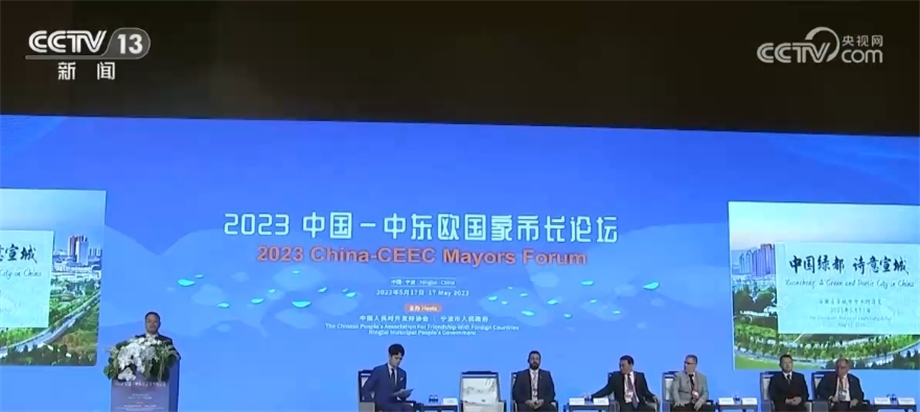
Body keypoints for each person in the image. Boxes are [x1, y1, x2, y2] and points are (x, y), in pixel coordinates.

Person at [591, 355, 658, 411]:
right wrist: (593, 396)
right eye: (620, 365)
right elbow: (607, 390)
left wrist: (653, 396)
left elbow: (645, 391)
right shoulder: (615, 377)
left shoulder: (640, 376)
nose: (621, 368)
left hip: (639, 403)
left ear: (631, 365)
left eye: (623, 365)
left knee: (651, 410)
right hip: (624, 404)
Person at [362, 344, 413, 412]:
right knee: (396, 409)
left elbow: (401, 395)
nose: (398, 361)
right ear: (390, 356)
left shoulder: (402, 373)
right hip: (381, 403)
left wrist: (405, 394)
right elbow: (366, 389)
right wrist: (372, 403)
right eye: (396, 358)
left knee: (408, 408)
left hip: (394, 402)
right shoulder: (378, 371)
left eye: (400, 359)